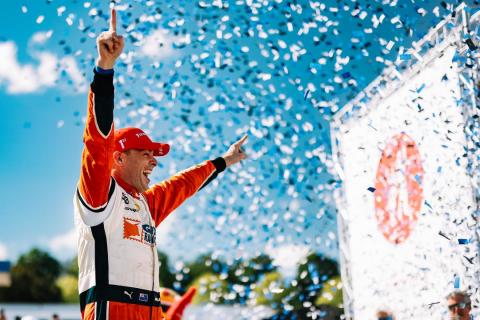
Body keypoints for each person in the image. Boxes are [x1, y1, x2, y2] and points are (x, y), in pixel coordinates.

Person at [73, 7, 248, 320]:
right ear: (119, 157)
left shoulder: (146, 203)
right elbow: (97, 141)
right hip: (113, 308)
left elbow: (185, 184)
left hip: (152, 310)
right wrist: (104, 71)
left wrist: (225, 161)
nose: (154, 162)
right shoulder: (100, 193)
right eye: (146, 154)